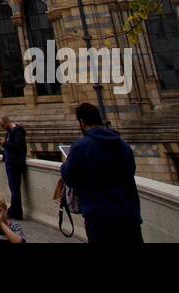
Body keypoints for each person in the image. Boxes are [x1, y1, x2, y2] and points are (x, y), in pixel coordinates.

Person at [60, 102, 143, 244]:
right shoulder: (122, 145)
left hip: (100, 222)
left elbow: (70, 178)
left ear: (82, 122)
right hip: (129, 218)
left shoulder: (80, 147)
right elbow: (130, 171)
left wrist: (64, 166)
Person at [0, 114, 27, 220]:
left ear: (6, 122)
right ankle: (14, 210)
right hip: (9, 163)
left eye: (2, 125)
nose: (2, 127)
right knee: (13, 188)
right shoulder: (9, 132)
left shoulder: (18, 131)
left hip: (15, 164)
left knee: (15, 189)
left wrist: (5, 143)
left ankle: (16, 212)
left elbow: (18, 147)